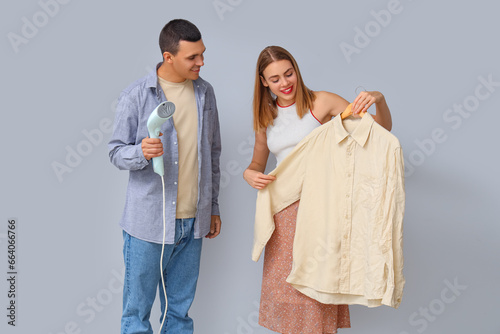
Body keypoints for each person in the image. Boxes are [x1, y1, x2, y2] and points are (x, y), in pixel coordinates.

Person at [243, 45, 393, 334]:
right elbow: (256, 163)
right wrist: (249, 174)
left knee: (315, 287)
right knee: (286, 290)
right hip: (283, 213)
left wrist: (379, 99)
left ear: (297, 70)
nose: (285, 83)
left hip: (321, 208)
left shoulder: (322, 103)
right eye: (275, 79)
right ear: (263, 82)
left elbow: (381, 129)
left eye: (289, 73)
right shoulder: (266, 115)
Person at [108, 19, 222, 334]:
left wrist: (212, 207)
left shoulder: (205, 93)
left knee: (179, 315)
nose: (201, 62)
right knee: (136, 314)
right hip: (148, 223)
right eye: (192, 57)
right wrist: (140, 152)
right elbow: (115, 151)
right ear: (168, 57)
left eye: (202, 54)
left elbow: (212, 153)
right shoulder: (136, 96)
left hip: (193, 222)